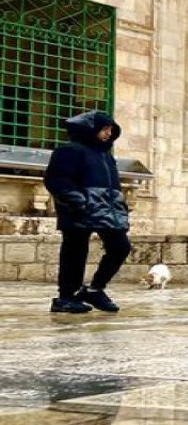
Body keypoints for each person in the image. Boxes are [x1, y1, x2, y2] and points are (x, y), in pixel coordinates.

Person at [43, 111, 133, 314]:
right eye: (104, 129)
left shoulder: (106, 156)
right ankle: (65, 298)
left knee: (120, 247)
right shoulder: (69, 151)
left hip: (106, 211)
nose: (109, 133)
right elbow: (57, 180)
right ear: (90, 129)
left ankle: (94, 289)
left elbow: (113, 186)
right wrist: (79, 202)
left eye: (111, 129)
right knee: (74, 253)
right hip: (78, 211)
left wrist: (120, 207)